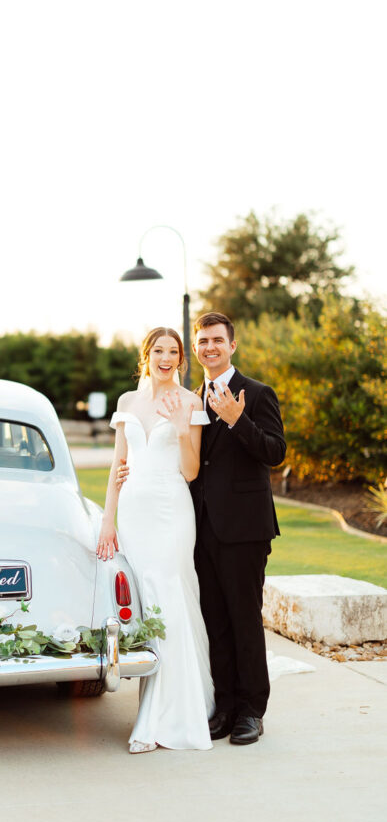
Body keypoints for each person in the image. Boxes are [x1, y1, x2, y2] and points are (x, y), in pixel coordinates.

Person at [118, 312, 286, 746]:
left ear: (231, 345)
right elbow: (188, 464)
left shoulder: (257, 393)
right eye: (202, 342)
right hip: (197, 525)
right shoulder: (189, 398)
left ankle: (251, 710)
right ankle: (224, 705)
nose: (209, 347)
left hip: (245, 527)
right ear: (196, 350)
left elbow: (275, 452)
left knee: (244, 618)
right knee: (214, 619)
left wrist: (235, 418)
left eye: (217, 340)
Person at [96, 326, 215, 753]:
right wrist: (107, 520)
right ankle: (156, 703)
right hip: (132, 515)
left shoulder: (189, 402)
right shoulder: (127, 403)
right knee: (146, 606)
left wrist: (183, 428)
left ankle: (165, 718)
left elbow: (191, 471)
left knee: (168, 597)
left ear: (181, 360)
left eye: (174, 352)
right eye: (159, 350)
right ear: (146, 356)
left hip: (171, 511)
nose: (167, 357)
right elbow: (117, 465)